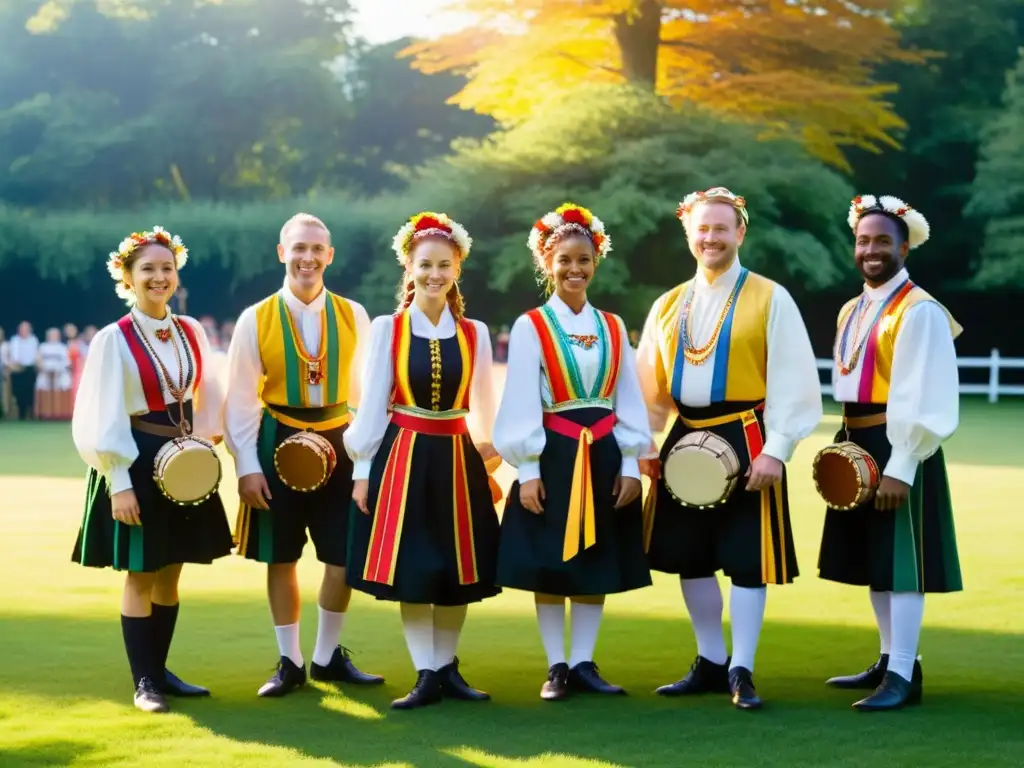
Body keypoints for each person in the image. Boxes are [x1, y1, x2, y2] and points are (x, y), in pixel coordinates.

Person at [636, 187, 822, 710]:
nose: (710, 238)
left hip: (748, 435)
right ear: (689, 235)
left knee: (745, 557)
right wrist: (644, 444)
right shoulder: (668, 304)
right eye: (702, 229)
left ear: (740, 233)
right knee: (690, 557)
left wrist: (777, 450)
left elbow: (794, 379)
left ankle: (743, 667)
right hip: (683, 437)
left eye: (721, 228)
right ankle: (711, 660)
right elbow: (646, 384)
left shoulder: (770, 296)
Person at [70, 226, 234, 713]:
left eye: (166, 268)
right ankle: (144, 682)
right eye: (148, 269)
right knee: (142, 573)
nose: (159, 277)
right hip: (136, 462)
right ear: (127, 276)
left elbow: (209, 391)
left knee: (172, 569)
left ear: (176, 273)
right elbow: (101, 415)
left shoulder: (191, 330)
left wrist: (205, 445)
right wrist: (118, 483)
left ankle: (160, 671)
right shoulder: (111, 340)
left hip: (183, 461)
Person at [494, 203, 652, 701]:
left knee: (595, 556)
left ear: (596, 261)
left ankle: (584, 661)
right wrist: (527, 471)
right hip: (554, 454)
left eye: (584, 259)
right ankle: (556, 665)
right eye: (564, 259)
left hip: (603, 452)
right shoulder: (531, 326)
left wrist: (630, 462)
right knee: (550, 559)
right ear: (547, 262)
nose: (575, 268)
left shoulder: (612, 324)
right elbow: (520, 398)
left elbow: (627, 394)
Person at [344, 211, 501, 710]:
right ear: (409, 268)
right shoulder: (388, 327)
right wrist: (363, 471)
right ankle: (426, 673)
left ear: (458, 268)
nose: (434, 274)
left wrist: (492, 464)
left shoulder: (474, 331)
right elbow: (372, 404)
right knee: (413, 567)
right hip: (403, 456)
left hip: (457, 457)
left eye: (444, 265)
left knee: (458, 571)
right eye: (425, 264)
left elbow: (485, 407)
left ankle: (447, 669)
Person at [225, 213, 384, 697]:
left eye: (317, 249)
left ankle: (326, 657)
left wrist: (365, 462)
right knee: (281, 557)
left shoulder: (354, 314)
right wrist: (247, 466)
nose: (307, 257)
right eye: (298, 248)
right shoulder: (255, 317)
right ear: (282, 252)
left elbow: (368, 393)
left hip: (340, 440)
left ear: (329, 256)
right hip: (277, 443)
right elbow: (240, 400)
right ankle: (290, 661)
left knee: (343, 558)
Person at [818, 195, 962, 711]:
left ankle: (903, 675)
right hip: (856, 440)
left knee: (903, 563)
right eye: (863, 241)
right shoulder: (852, 308)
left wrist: (902, 466)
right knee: (875, 558)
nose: (871, 250)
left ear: (904, 247)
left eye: (883, 241)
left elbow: (927, 396)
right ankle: (888, 657)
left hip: (900, 445)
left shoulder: (920, 311)